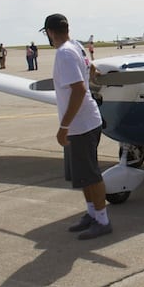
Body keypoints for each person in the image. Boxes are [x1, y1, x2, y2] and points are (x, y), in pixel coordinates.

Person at [41, 14, 112, 240]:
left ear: (50, 32)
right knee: (82, 175)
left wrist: (64, 126)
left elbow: (79, 90)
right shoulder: (77, 46)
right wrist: (94, 72)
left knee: (90, 174)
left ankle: (103, 220)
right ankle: (92, 214)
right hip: (84, 122)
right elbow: (90, 67)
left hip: (81, 125)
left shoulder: (64, 53)